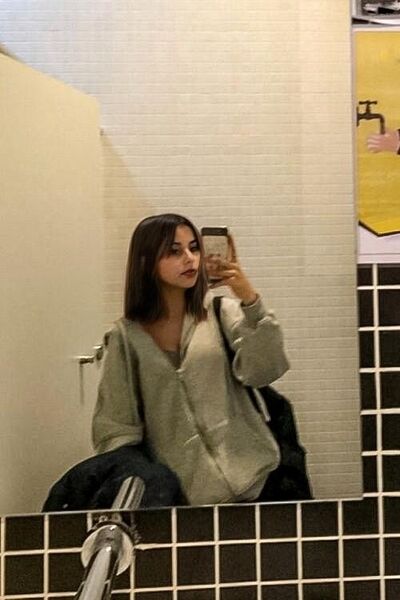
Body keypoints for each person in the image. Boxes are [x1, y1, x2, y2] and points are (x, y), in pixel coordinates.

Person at [92, 213, 290, 505]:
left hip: (256, 481)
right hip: (183, 496)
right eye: (174, 251)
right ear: (146, 262)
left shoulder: (220, 312)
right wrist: (145, 486)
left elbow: (267, 369)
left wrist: (250, 300)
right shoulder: (127, 336)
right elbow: (117, 427)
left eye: (194, 248)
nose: (190, 258)